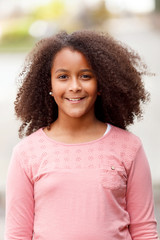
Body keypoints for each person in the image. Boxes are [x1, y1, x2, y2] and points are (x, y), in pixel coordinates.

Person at [5, 30, 158, 240]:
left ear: (101, 84)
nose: (75, 86)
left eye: (85, 76)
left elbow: (144, 232)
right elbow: (17, 235)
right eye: (63, 77)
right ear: (48, 84)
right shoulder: (26, 154)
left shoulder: (129, 148)